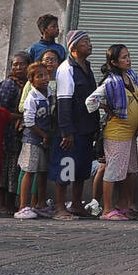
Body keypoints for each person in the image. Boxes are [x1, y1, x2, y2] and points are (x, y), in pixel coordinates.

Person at [86, 44, 138, 221]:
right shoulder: (111, 83)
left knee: (131, 170)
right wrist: (107, 108)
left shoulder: (131, 76)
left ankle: (123, 204)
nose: (128, 60)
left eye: (129, 56)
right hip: (117, 133)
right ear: (114, 62)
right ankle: (107, 209)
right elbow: (90, 102)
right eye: (124, 57)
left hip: (131, 133)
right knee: (113, 171)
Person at [53, 30, 98, 221]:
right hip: (71, 129)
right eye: (85, 42)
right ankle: (60, 207)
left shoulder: (87, 67)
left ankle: (77, 204)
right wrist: (66, 131)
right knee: (66, 166)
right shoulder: (66, 69)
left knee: (81, 168)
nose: (89, 44)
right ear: (73, 48)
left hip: (86, 127)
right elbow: (64, 101)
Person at [15, 62, 54, 220]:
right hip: (32, 139)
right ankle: (23, 206)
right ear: (31, 81)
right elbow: (29, 122)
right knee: (30, 171)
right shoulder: (32, 97)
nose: (44, 79)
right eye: (39, 76)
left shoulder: (48, 93)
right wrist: (43, 135)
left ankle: (41, 204)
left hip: (44, 138)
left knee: (42, 171)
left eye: (45, 75)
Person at [0, 51, 30, 212]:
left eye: (21, 64)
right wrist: (21, 116)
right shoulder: (9, 84)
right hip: (7, 132)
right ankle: (2, 203)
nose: (18, 67)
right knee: (5, 168)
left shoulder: (28, 85)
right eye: (15, 64)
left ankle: (11, 202)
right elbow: (0, 110)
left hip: (19, 135)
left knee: (15, 169)